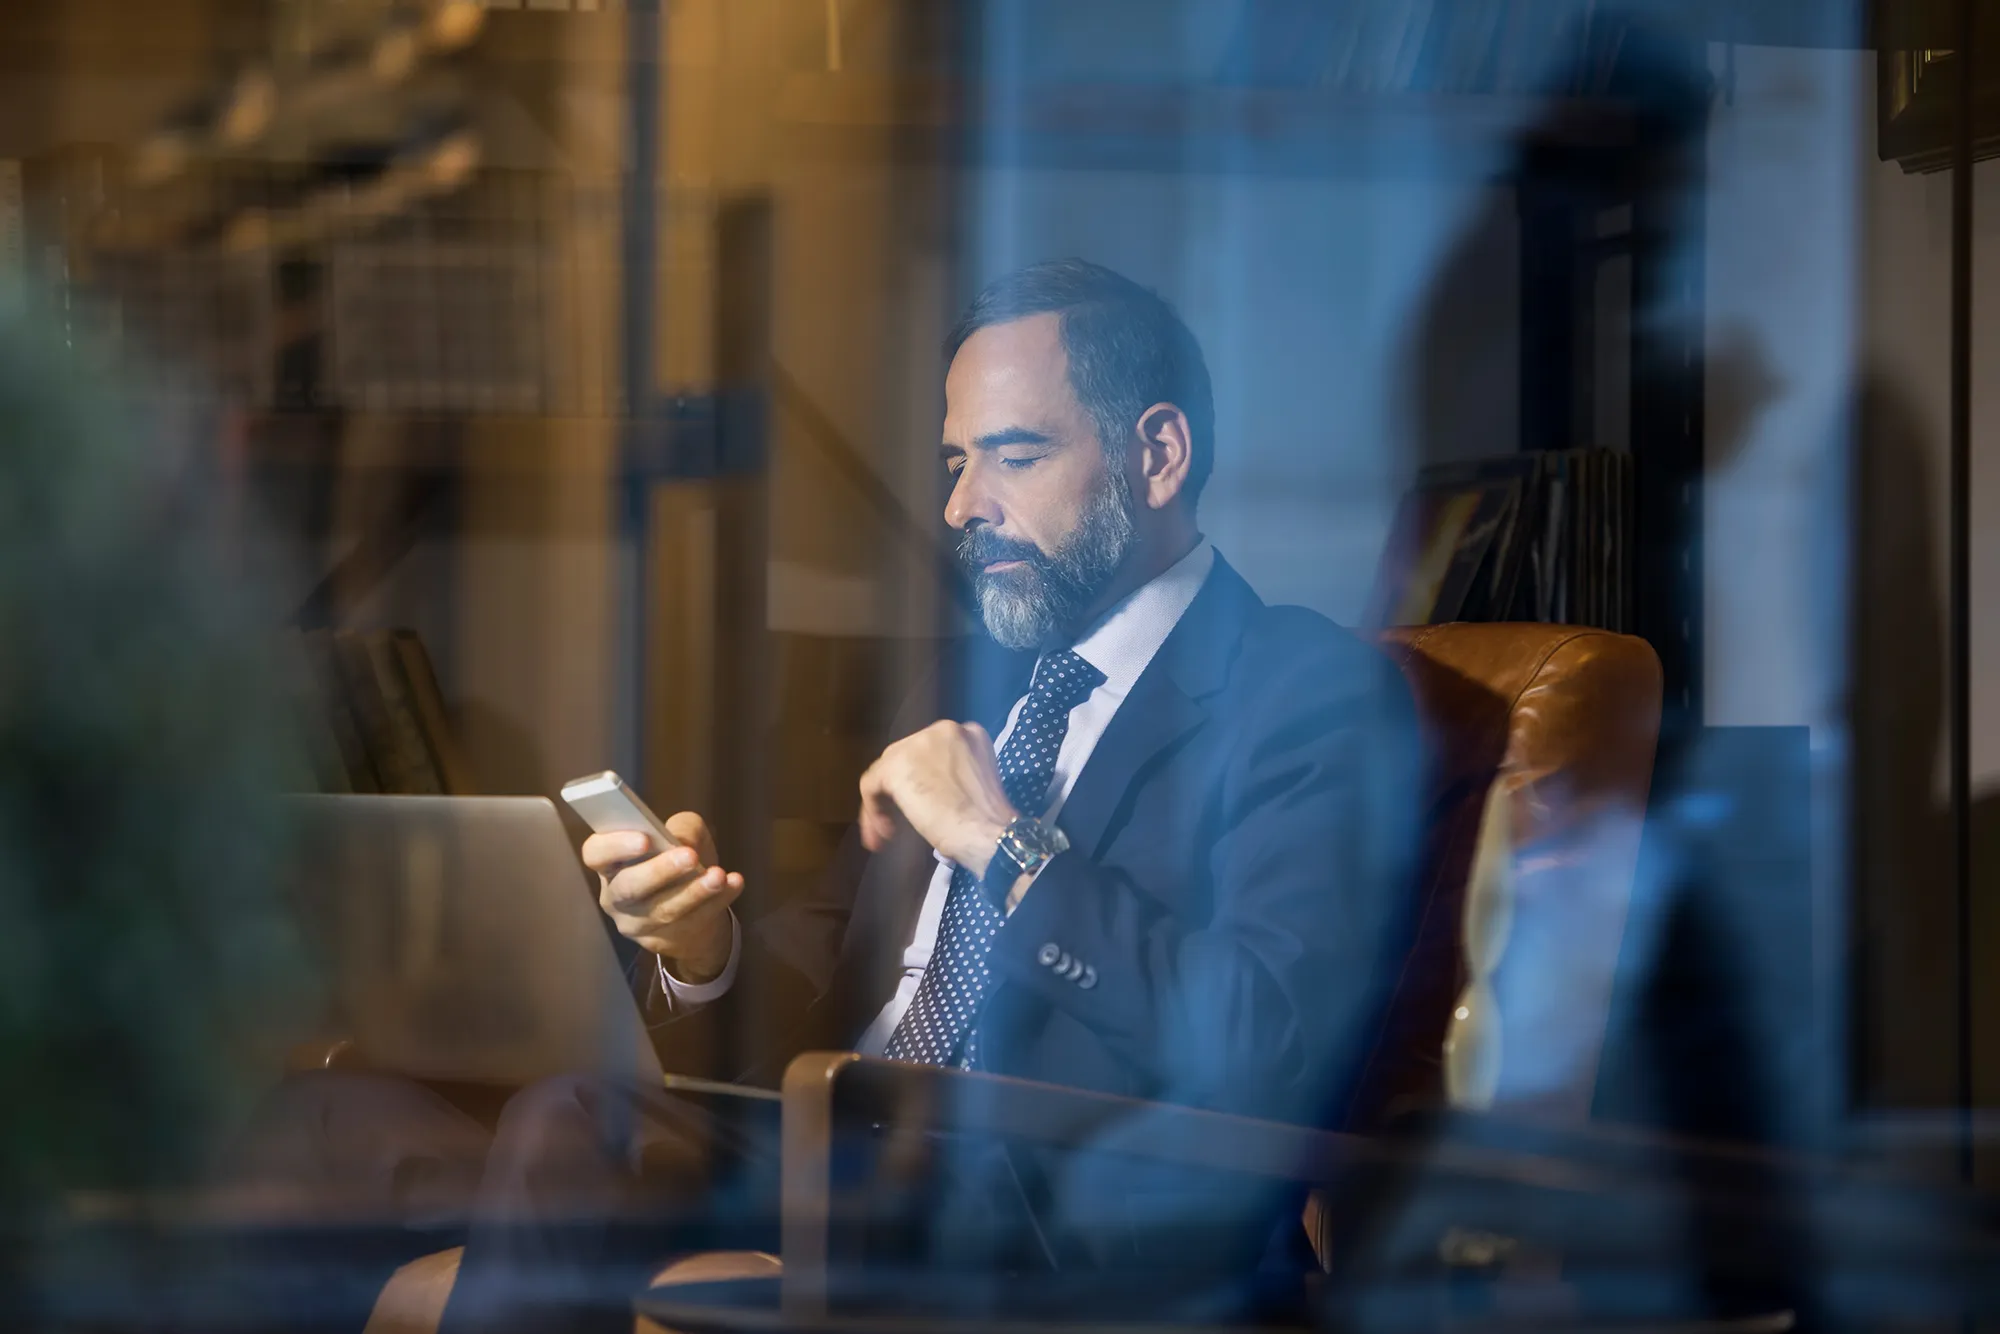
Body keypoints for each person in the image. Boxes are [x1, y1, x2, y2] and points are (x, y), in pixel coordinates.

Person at [250, 258, 1423, 1333]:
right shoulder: (976, 687)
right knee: (324, 1117)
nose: (963, 506)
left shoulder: (1302, 689)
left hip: (1032, 1205)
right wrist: (701, 946)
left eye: (1013, 456)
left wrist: (999, 843)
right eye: (955, 462)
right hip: (826, 1149)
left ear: (1156, 454)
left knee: (570, 1124)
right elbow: (817, 999)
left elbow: (1266, 1039)